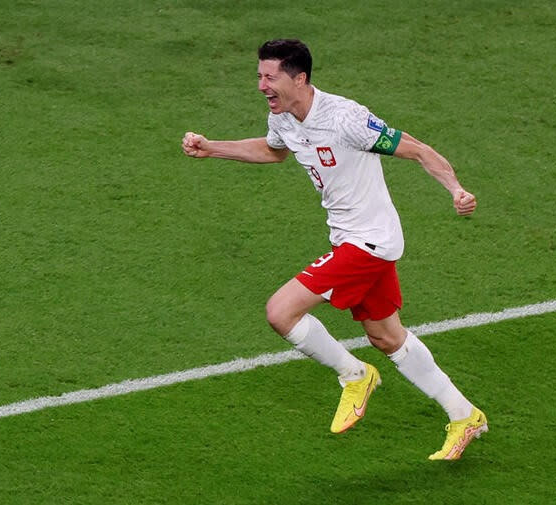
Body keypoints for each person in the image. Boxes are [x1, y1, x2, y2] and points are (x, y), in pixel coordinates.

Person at [181, 39, 487, 460]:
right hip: (349, 238)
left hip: (370, 242)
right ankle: (464, 415)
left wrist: (456, 189)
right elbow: (273, 151)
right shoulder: (284, 117)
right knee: (386, 336)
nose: (261, 86)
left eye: (270, 77)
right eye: (259, 76)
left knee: (281, 311)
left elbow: (416, 148)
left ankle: (354, 375)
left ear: (299, 78)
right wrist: (212, 147)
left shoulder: (346, 119)